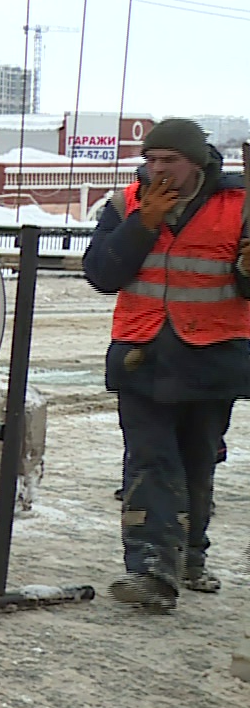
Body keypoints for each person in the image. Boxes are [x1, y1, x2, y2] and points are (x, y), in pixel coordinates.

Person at [83, 118, 250, 613]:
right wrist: (142, 227)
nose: (156, 170)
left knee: (198, 461)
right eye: (150, 160)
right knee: (151, 460)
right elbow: (102, 274)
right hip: (142, 355)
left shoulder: (239, 208)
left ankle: (191, 556)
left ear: (195, 164)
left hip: (211, 358)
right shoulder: (125, 205)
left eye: (168, 161)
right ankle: (151, 567)